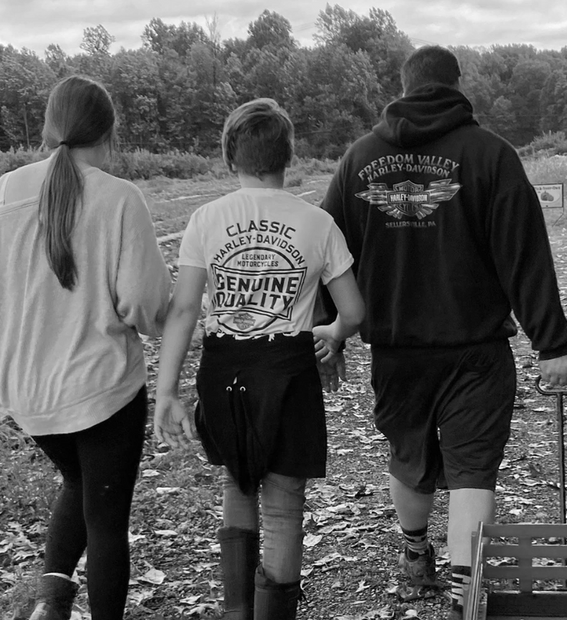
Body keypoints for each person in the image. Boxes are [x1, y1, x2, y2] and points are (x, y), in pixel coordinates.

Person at [317, 45, 567, 618]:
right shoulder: (490, 155)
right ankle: (468, 597)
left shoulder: (358, 160)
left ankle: (416, 560)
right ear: (457, 87)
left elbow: (325, 249)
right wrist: (551, 345)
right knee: (471, 472)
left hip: (395, 351)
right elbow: (525, 255)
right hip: (476, 352)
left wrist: (328, 331)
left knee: (408, 457)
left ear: (404, 88)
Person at [0, 75, 172, 620]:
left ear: (49, 127)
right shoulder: (119, 197)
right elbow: (142, 300)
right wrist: (177, 324)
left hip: (27, 392)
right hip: (101, 387)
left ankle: (52, 603)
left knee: (78, 478)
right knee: (107, 520)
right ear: (109, 133)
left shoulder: (4, 191)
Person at [153, 98, 364, 620]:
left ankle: (236, 612)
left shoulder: (206, 220)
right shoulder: (317, 223)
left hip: (224, 367)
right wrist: (330, 332)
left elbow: (183, 310)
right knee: (285, 504)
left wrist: (165, 392)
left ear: (230, 158)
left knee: (237, 481)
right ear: (288, 156)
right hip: (289, 366)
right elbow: (355, 311)